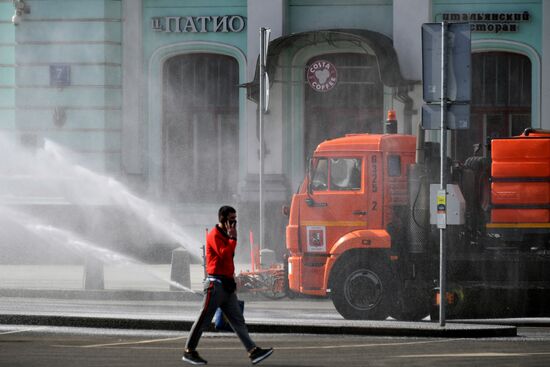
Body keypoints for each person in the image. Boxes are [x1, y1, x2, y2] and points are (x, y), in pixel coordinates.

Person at [183, 205, 273, 365]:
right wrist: (233, 238)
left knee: (238, 320)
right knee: (204, 319)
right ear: (223, 219)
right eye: (231, 219)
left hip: (227, 286)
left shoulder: (226, 235)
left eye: (235, 219)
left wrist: (233, 277)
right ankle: (189, 351)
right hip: (215, 286)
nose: (234, 223)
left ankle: (253, 351)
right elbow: (224, 254)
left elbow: (229, 259)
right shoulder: (215, 235)